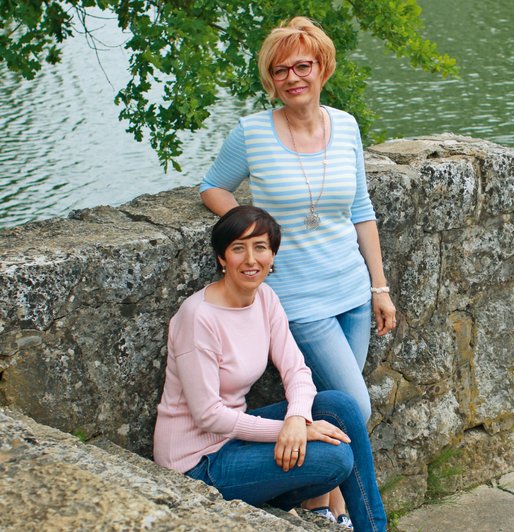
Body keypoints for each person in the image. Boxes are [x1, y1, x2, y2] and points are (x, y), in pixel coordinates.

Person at [199, 16, 396, 521]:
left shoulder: (346, 125)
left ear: (322, 68)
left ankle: (319, 509)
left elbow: (362, 210)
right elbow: (212, 186)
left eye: (302, 65)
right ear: (271, 78)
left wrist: (379, 286)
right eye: (280, 69)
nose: (292, 77)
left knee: (332, 406)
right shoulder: (252, 133)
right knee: (356, 407)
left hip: (352, 290)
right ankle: (357, 516)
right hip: (298, 299)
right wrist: (251, 227)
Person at [153, 206, 387, 531]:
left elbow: (297, 371)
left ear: (272, 255)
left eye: (260, 247)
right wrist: (291, 431)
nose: (251, 259)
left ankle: (374, 528)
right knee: (334, 459)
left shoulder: (265, 298)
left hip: (233, 441)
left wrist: (296, 418)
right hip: (197, 462)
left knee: (341, 406)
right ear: (222, 258)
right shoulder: (198, 318)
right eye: (238, 248)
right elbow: (208, 415)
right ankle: (270, 499)